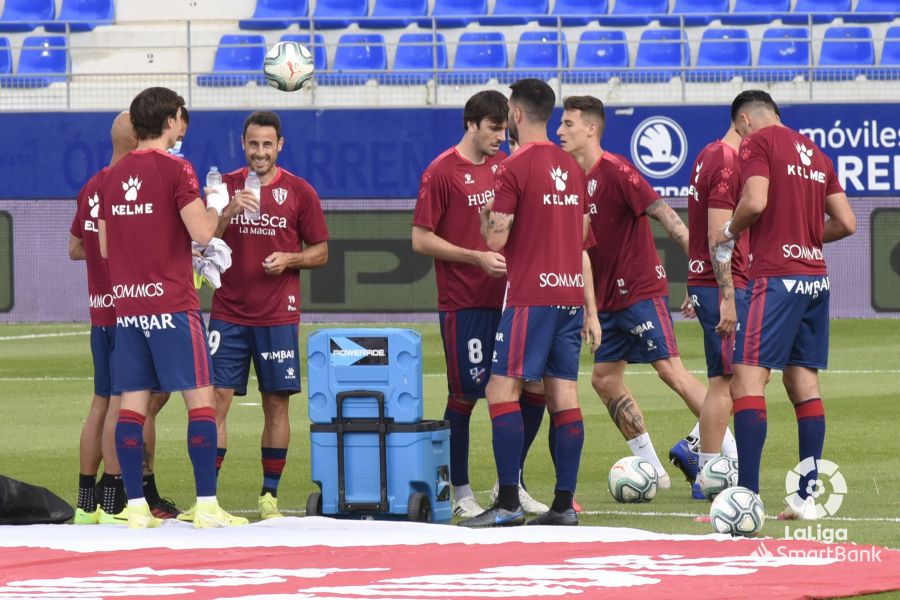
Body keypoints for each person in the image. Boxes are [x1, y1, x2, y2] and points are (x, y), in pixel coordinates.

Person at [556, 95, 738, 499]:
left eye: (568, 124)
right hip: (606, 301)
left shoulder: (618, 170)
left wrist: (699, 273)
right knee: (603, 380)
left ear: (591, 128)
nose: (560, 131)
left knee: (669, 370)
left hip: (640, 290)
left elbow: (668, 219)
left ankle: (729, 456)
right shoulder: (568, 179)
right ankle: (654, 470)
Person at [98, 86, 246, 529]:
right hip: (172, 303)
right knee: (200, 400)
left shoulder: (110, 177)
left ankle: (137, 507)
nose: (184, 124)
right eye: (182, 117)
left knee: (132, 405)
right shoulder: (178, 168)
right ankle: (205, 506)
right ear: (168, 121)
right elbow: (202, 233)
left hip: (128, 306)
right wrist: (217, 207)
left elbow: (105, 247)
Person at [458, 79, 600, 528]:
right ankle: (562, 505)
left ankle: (506, 502)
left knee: (502, 389)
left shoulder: (513, 168)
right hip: (568, 292)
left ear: (516, 115)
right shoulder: (573, 167)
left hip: (530, 294)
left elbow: (496, 239)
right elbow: (580, 238)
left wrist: (485, 219)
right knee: (564, 394)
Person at [712, 90, 855, 519]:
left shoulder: (758, 142)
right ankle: (809, 498)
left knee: (746, 382)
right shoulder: (815, 152)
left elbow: (755, 201)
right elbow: (847, 222)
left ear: (744, 121)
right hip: (814, 279)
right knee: (803, 386)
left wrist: (729, 231)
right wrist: (809, 238)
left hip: (775, 277)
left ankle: (747, 496)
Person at [413, 90, 548, 519]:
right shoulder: (441, 172)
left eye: (503, 128)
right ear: (471, 124)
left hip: (513, 301)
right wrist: (475, 257)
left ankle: (512, 482)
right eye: (493, 128)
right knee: (466, 396)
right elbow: (421, 239)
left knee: (531, 390)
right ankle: (461, 490)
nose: (500, 136)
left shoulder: (506, 167)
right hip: (464, 302)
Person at [205, 111, 329, 521]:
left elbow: (322, 251)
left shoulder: (300, 192)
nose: (260, 151)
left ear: (280, 145)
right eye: (253, 144)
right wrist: (226, 215)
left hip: (277, 315)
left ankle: (269, 497)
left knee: (276, 404)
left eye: (267, 144)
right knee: (215, 403)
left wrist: (291, 259)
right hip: (228, 312)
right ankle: (209, 500)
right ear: (243, 144)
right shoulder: (224, 188)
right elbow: (201, 240)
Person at [69, 112, 181, 524]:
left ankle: (86, 503)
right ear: (140, 137)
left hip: (101, 311)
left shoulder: (93, 185)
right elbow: (110, 247)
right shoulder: (137, 182)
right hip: (132, 310)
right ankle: (117, 498)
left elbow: (78, 248)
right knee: (132, 404)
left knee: (103, 402)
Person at [685, 126, 748, 481]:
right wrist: (725, 295)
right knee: (726, 382)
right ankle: (707, 474)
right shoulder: (727, 161)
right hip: (722, 283)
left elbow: (700, 225)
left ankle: (696, 445)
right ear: (744, 121)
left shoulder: (707, 152)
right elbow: (716, 233)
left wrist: (697, 279)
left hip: (707, 278)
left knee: (739, 378)